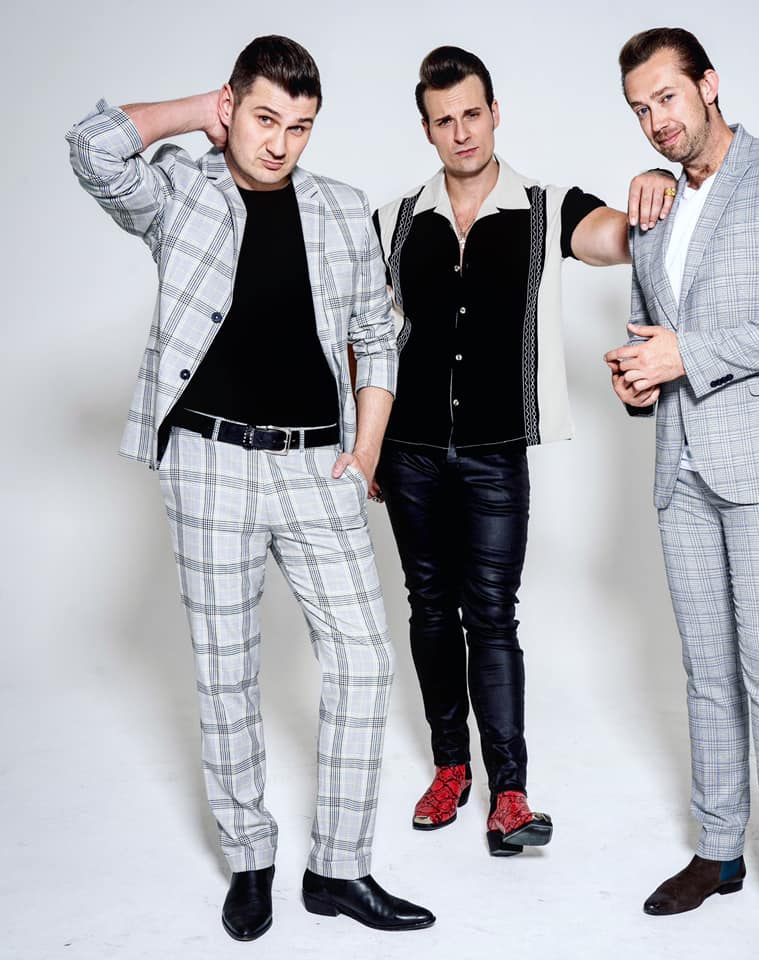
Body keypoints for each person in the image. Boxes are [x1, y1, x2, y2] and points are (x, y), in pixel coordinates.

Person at [66, 34, 434, 941]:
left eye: (299, 127)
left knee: (365, 659)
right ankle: (251, 860)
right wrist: (199, 111)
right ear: (233, 107)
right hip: (210, 465)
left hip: (318, 464)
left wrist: (365, 452)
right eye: (264, 118)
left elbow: (378, 335)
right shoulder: (180, 193)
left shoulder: (340, 208)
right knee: (226, 671)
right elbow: (91, 147)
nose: (280, 142)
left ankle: (339, 869)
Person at [373, 45, 675, 856]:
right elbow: (363, 336)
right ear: (427, 129)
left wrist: (655, 192)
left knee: (491, 614)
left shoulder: (546, 208)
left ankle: (509, 792)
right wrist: (365, 444)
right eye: (445, 120)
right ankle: (449, 767)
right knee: (429, 607)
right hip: (407, 452)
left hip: (495, 455)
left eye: (473, 113)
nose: (462, 132)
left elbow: (614, 237)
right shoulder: (393, 221)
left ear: (495, 113)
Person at [605, 27, 759, 959]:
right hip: (683, 466)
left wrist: (689, 356)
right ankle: (718, 852)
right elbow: (654, 329)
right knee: (706, 673)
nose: (656, 121)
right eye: (640, 108)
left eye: (667, 97)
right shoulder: (656, 207)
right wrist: (640, 378)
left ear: (709, 85)